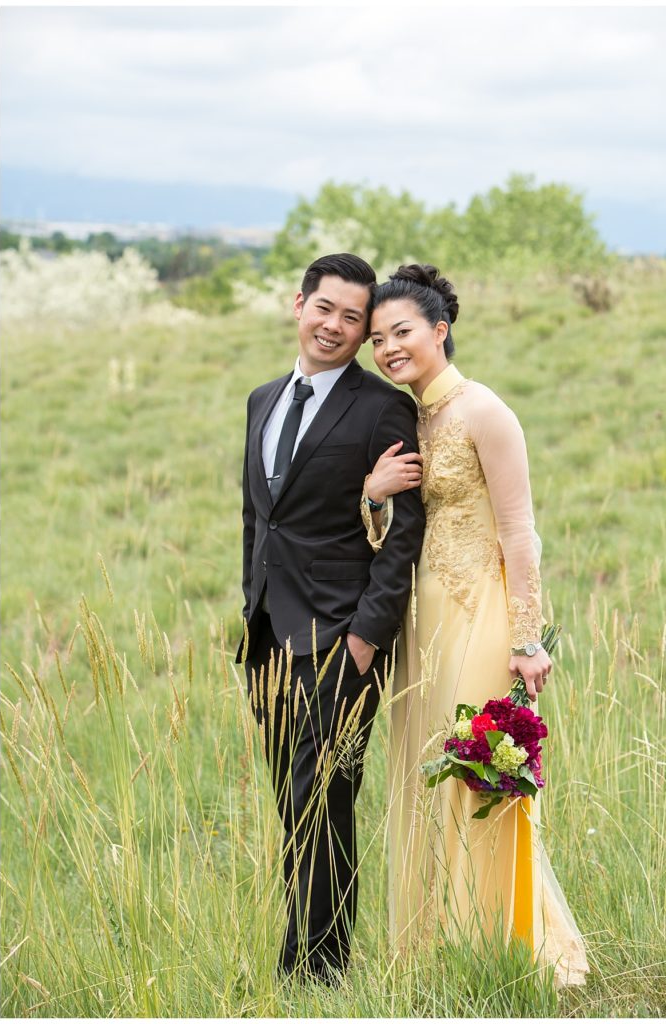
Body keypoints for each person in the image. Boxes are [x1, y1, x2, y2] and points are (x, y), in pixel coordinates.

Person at [362, 263, 589, 987]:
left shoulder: (484, 410)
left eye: (401, 332)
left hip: (481, 614)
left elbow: (521, 531)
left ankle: (505, 945)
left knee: (474, 775)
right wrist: (373, 497)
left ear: (440, 330)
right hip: (421, 618)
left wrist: (527, 637)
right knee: (427, 775)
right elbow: (400, 527)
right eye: (377, 339)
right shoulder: (412, 417)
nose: (389, 348)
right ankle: (437, 948)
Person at [236, 253, 425, 982]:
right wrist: (250, 610)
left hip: (340, 643)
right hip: (268, 640)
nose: (337, 327)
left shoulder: (383, 408)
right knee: (294, 805)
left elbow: (403, 533)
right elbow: (260, 521)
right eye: (327, 309)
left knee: (325, 806)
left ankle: (317, 971)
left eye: (354, 318)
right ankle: (308, 956)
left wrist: (365, 641)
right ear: (299, 304)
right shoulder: (261, 400)